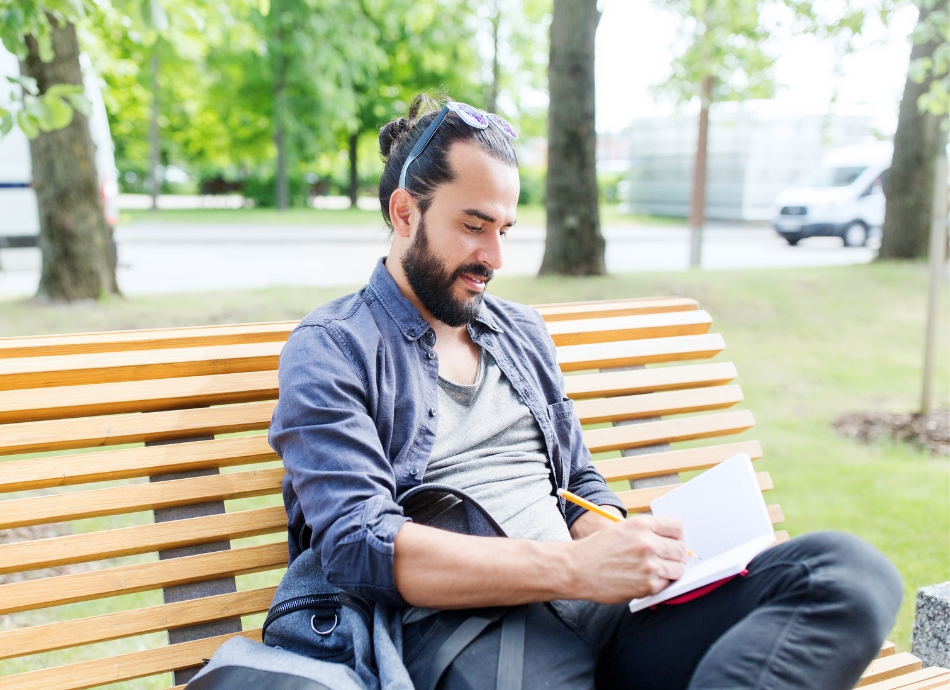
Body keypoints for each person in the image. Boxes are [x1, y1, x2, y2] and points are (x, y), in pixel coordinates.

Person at [269, 95, 903, 690]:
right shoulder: (334, 348)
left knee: (846, 576)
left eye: (505, 230)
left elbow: (575, 482)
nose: (493, 255)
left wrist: (624, 543)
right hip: (470, 636)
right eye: (473, 225)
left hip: (603, 613)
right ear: (404, 212)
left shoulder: (519, 333)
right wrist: (575, 569)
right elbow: (359, 547)